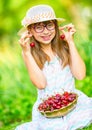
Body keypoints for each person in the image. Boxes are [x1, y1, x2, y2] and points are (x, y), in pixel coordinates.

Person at [15, 4, 92, 130]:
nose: (46, 31)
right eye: (39, 27)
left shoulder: (64, 46)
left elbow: (80, 75)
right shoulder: (30, 53)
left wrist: (71, 42)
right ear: (30, 31)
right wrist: (27, 53)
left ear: (55, 27)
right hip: (49, 108)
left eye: (49, 25)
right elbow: (41, 84)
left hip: (72, 101)